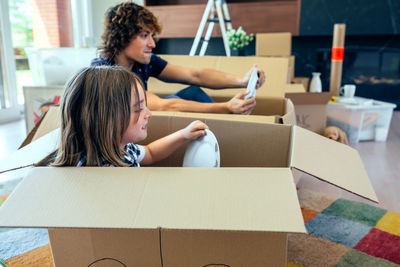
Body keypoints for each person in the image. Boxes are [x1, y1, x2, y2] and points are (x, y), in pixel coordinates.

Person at [91, 1, 266, 115]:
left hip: (142, 117)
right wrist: (226, 108)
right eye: (145, 36)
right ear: (123, 36)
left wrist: (241, 81)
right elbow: (163, 106)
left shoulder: (143, 62)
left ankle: (234, 126)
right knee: (177, 103)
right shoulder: (106, 72)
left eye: (152, 36)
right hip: (124, 131)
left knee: (192, 91)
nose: (152, 43)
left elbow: (194, 75)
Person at [51, 65, 209, 167]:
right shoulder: (106, 172)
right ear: (108, 120)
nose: (149, 113)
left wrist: (183, 134)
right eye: (138, 108)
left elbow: (150, 153)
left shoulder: (122, 149)